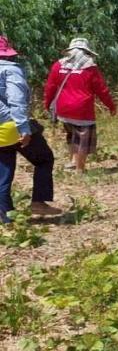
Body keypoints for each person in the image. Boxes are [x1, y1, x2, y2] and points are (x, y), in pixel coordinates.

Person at [0, 35, 59, 223]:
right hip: (11, 126)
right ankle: (38, 203)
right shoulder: (10, 70)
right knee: (44, 159)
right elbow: (16, 100)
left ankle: (6, 219)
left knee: (3, 173)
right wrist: (23, 128)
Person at [44, 38, 117, 173]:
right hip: (82, 110)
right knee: (82, 139)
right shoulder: (90, 68)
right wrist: (111, 106)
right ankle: (79, 169)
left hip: (63, 109)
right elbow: (101, 90)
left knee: (71, 135)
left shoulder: (58, 66)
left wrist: (47, 104)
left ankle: (72, 161)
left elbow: (50, 87)